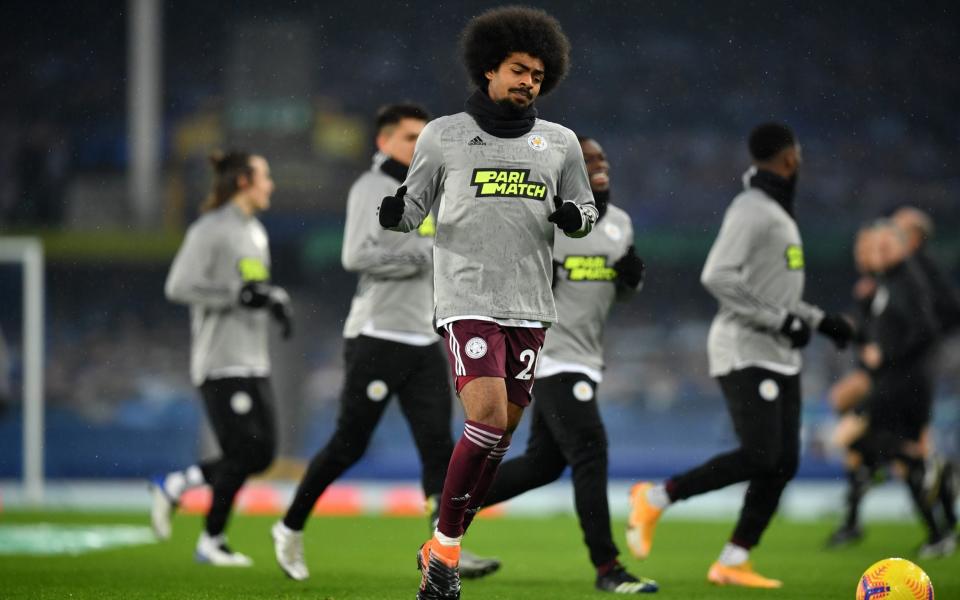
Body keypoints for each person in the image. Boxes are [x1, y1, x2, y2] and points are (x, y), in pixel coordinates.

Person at [378, 7, 599, 599]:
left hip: (531, 304)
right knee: (486, 419)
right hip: (467, 297)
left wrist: (576, 217)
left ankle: (440, 541)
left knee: (499, 440)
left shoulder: (561, 142)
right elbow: (415, 206)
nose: (529, 81)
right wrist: (397, 213)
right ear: (488, 70)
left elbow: (585, 213)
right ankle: (447, 551)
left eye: (538, 73)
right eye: (518, 69)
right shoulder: (443, 134)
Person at [270, 104, 498, 581]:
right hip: (377, 335)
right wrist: (421, 255)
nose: (419, 145)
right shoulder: (371, 189)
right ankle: (289, 527)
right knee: (349, 444)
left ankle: (444, 547)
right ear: (384, 142)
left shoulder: (432, 192)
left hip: (423, 338)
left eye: (424, 136)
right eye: (410, 137)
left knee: (439, 447)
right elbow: (355, 255)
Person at [626, 123, 855, 589]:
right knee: (759, 453)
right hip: (745, 348)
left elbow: (778, 294)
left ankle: (733, 558)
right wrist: (781, 321)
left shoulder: (777, 212)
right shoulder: (751, 209)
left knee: (784, 461)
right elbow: (718, 276)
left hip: (777, 354)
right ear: (790, 157)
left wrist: (818, 320)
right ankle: (654, 497)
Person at [476, 136, 657, 594]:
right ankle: (607, 568)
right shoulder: (547, 223)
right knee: (590, 449)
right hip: (552, 356)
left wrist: (631, 283)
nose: (600, 165)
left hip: (586, 357)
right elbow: (504, 285)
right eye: (589, 160)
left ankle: (453, 500)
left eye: (603, 157)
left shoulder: (620, 225)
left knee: (542, 464)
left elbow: (616, 293)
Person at [150, 151, 292, 566]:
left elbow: (251, 289)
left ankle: (179, 486)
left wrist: (272, 299)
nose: (272, 185)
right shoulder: (210, 230)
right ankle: (210, 539)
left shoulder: (256, 232)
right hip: (221, 360)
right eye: (266, 176)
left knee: (261, 454)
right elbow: (177, 287)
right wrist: (236, 296)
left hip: (254, 358)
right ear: (244, 182)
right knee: (244, 453)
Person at [849, 221, 956, 557]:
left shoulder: (907, 280)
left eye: (884, 248)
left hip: (905, 382)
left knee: (867, 444)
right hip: (896, 379)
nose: (876, 255)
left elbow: (926, 330)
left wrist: (886, 354)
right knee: (895, 458)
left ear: (901, 246)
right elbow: (880, 331)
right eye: (873, 250)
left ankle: (929, 466)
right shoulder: (888, 283)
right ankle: (939, 531)